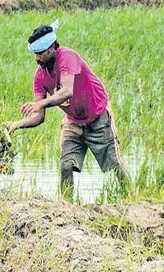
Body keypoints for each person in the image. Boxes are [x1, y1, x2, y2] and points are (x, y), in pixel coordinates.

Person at [7, 20, 128, 197]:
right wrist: (17, 125)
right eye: (35, 54)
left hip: (98, 117)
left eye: (40, 53)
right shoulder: (39, 76)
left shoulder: (67, 56)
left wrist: (40, 103)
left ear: (52, 48)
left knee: (114, 165)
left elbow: (67, 91)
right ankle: (67, 207)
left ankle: (132, 200)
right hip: (73, 122)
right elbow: (38, 117)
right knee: (65, 165)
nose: (37, 59)